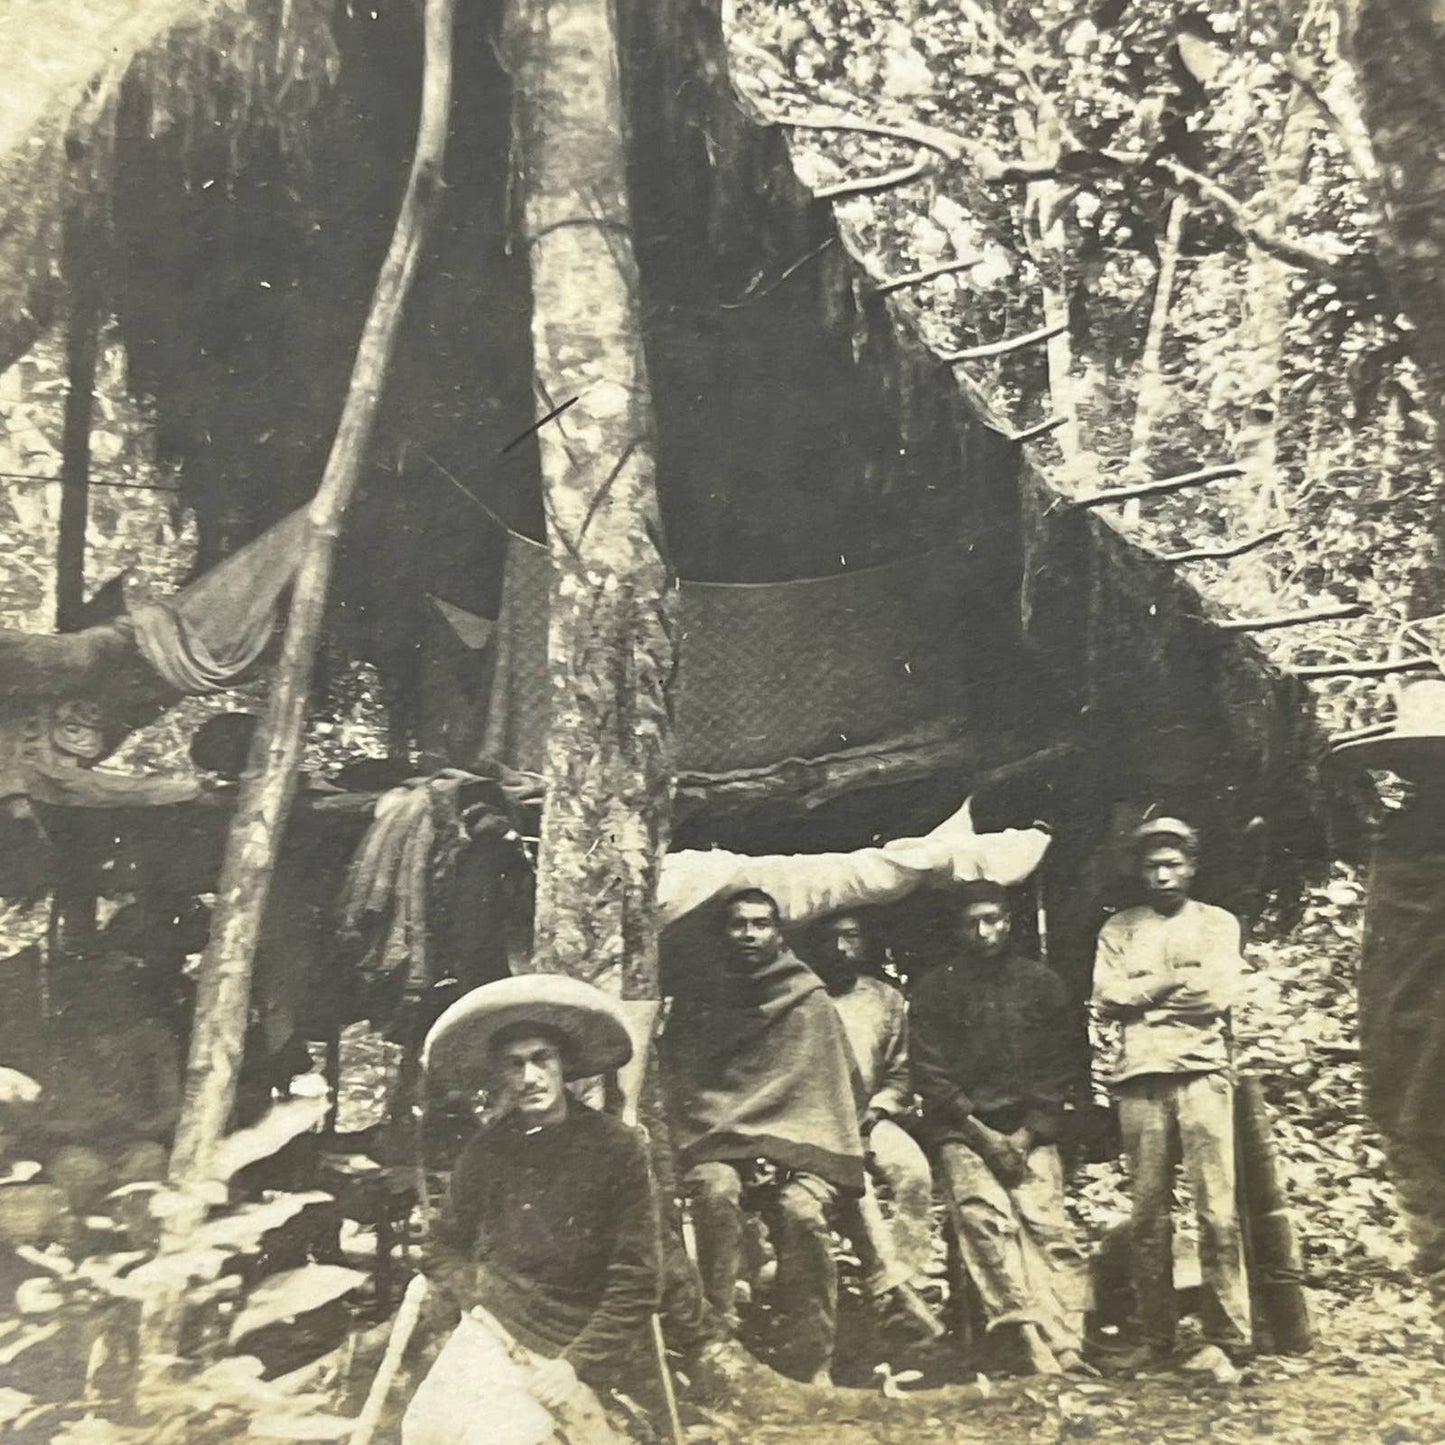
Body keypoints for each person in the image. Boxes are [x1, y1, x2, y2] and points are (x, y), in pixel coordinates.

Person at [405, 975, 661, 1445]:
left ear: (564, 1065)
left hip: (577, 1336)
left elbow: (638, 1277)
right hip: (495, 1326)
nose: (530, 1078)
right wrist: (476, 1293)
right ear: (500, 1075)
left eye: (541, 1059)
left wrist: (575, 1364)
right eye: (514, 1064)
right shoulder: (487, 1150)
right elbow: (441, 1245)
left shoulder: (617, 1147)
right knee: (425, 1430)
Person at [662, 889, 865, 1385]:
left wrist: (779, 1147)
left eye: (761, 924)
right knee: (715, 1192)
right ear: (723, 932)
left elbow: (829, 1090)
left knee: (803, 1214)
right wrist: (744, 1145)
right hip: (720, 1143)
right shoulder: (701, 997)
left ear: (779, 933)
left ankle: (813, 1356)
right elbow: (685, 1085)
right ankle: (717, 1339)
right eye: (738, 924)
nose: (750, 934)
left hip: (800, 1150)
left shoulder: (808, 998)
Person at [1091, 817, 1251, 1372]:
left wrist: (1145, 995)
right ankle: (1157, 1339)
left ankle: (1228, 1337)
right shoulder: (1120, 927)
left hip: (1203, 1074)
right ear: (1139, 870)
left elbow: (1215, 995)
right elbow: (1106, 998)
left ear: (1192, 866)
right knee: (1149, 1216)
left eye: (1173, 864)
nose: (1162, 875)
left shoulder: (1216, 923)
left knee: (1217, 1211)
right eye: (1152, 866)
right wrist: (1171, 981)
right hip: (1139, 1079)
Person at [910, 880, 1087, 1376]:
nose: (983, 931)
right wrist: (983, 1136)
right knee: (984, 1221)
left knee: (1047, 1224)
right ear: (957, 929)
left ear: (1009, 924)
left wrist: (1027, 1134)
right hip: (964, 1130)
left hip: (1031, 1128)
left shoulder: (1041, 983)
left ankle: (1067, 1341)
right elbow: (931, 1075)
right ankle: (1026, 1334)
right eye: (972, 922)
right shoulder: (934, 990)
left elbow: (1060, 1065)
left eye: (993, 920)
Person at [811, 911, 940, 1336]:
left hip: (873, 1116)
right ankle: (891, 1290)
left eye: (851, 937)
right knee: (857, 1191)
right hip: (815, 1123)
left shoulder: (887, 999)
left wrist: (879, 1110)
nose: (841, 949)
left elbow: (901, 1072)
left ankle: (914, 1279)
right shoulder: (803, 999)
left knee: (914, 1173)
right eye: (831, 939)